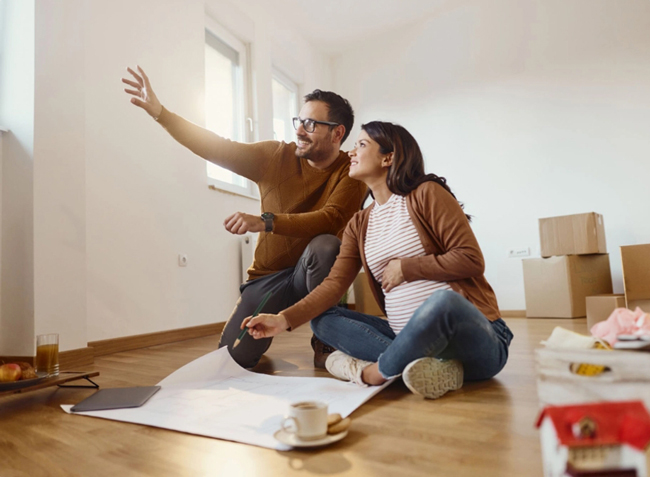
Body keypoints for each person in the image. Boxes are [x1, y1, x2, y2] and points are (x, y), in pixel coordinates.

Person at [240, 121, 514, 399]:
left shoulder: (426, 193)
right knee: (323, 320)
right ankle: (422, 365)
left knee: (443, 303)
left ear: (388, 157)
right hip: (403, 337)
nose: (351, 153)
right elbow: (333, 285)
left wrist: (406, 268)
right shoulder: (360, 223)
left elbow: (470, 259)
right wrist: (282, 319)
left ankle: (375, 372)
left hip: (473, 340)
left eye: (361, 145)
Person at [122, 66, 366, 368]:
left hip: (313, 273)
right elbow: (217, 147)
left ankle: (327, 340)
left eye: (311, 124)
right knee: (233, 359)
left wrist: (266, 221)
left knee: (326, 246)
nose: (300, 130)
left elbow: (330, 218)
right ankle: (261, 336)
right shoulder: (275, 156)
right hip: (269, 278)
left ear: (337, 132)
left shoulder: (353, 171)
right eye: (299, 121)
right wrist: (161, 113)